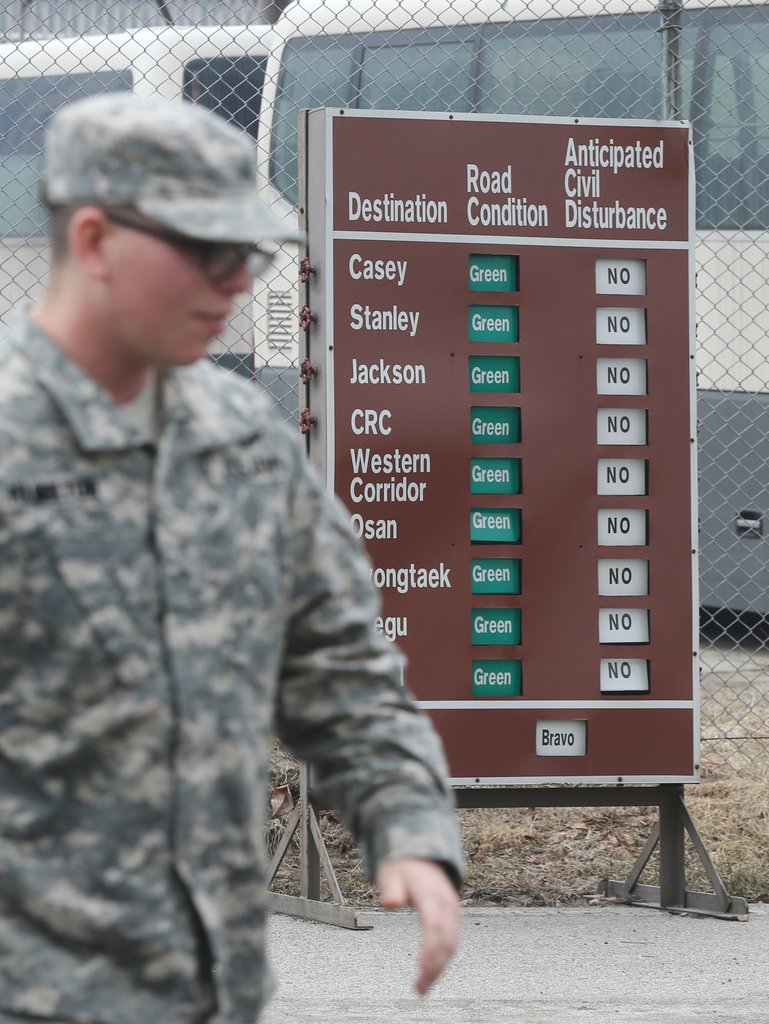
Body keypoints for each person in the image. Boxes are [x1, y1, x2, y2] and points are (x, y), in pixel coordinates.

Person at [0, 93, 463, 1024]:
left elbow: (337, 660)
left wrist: (407, 824)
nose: (238, 281)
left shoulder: (244, 439)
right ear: (93, 240)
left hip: (209, 988)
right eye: (207, 251)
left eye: (248, 254)